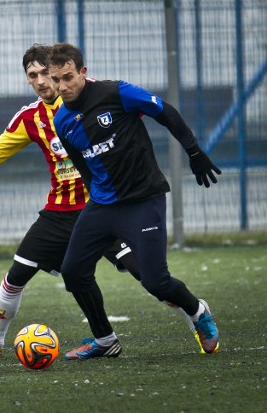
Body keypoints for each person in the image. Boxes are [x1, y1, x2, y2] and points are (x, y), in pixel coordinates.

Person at [0, 44, 193, 360]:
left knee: (149, 277)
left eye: (46, 73)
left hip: (106, 207)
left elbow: (139, 113)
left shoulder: (90, 97)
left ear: (61, 73)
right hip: (60, 212)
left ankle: (194, 314)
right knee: (17, 275)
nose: (41, 81)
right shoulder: (30, 117)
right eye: (32, 75)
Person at [48, 42, 221, 359]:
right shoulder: (61, 121)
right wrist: (95, 203)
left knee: (157, 283)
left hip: (143, 200)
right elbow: (83, 165)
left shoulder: (116, 93)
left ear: (83, 72)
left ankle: (197, 311)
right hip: (102, 206)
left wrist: (194, 153)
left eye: (67, 77)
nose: (61, 86)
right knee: (73, 272)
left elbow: (165, 111)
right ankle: (104, 340)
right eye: (55, 80)